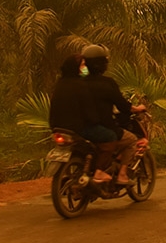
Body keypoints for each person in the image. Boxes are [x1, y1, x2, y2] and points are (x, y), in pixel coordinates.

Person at [81, 43, 146, 186]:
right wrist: (137, 108)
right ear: (103, 64)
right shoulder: (107, 83)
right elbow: (123, 106)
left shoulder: (79, 83)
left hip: (80, 128)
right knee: (131, 140)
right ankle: (122, 175)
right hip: (103, 127)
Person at [48, 54, 113, 183]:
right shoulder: (80, 85)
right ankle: (99, 171)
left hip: (57, 127)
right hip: (77, 129)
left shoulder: (60, 84)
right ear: (75, 68)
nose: (85, 68)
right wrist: (98, 121)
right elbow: (89, 112)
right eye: (82, 65)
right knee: (110, 137)